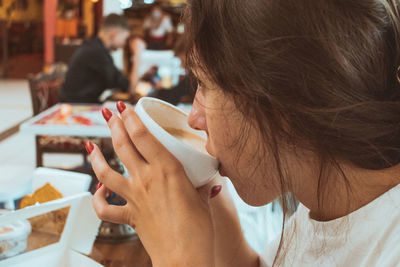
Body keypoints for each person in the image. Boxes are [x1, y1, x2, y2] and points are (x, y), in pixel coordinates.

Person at [86, 0, 400, 266]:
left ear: (282, 103)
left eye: (204, 86)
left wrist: (179, 256)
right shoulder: (324, 198)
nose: (194, 119)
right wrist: (210, 204)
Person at [60, 14, 136, 104]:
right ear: (115, 33)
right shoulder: (97, 53)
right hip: (75, 107)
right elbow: (129, 88)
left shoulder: (94, 47)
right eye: (125, 38)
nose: (124, 43)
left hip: (78, 104)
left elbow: (118, 80)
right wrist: (137, 53)